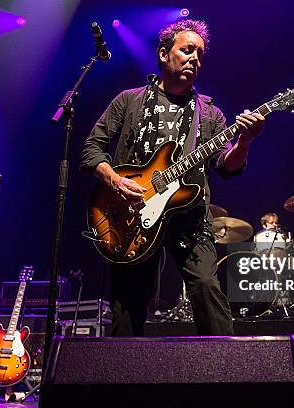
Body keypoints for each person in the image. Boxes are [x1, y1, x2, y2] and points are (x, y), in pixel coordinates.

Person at [80, 19, 265, 336]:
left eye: (201, 54)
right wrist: (115, 180)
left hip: (190, 219)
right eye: (188, 50)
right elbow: (91, 149)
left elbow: (226, 166)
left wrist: (244, 144)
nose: (195, 58)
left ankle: (227, 375)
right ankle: (122, 381)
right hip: (132, 215)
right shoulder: (129, 101)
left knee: (207, 289)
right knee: (127, 306)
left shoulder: (209, 114)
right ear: (164, 54)